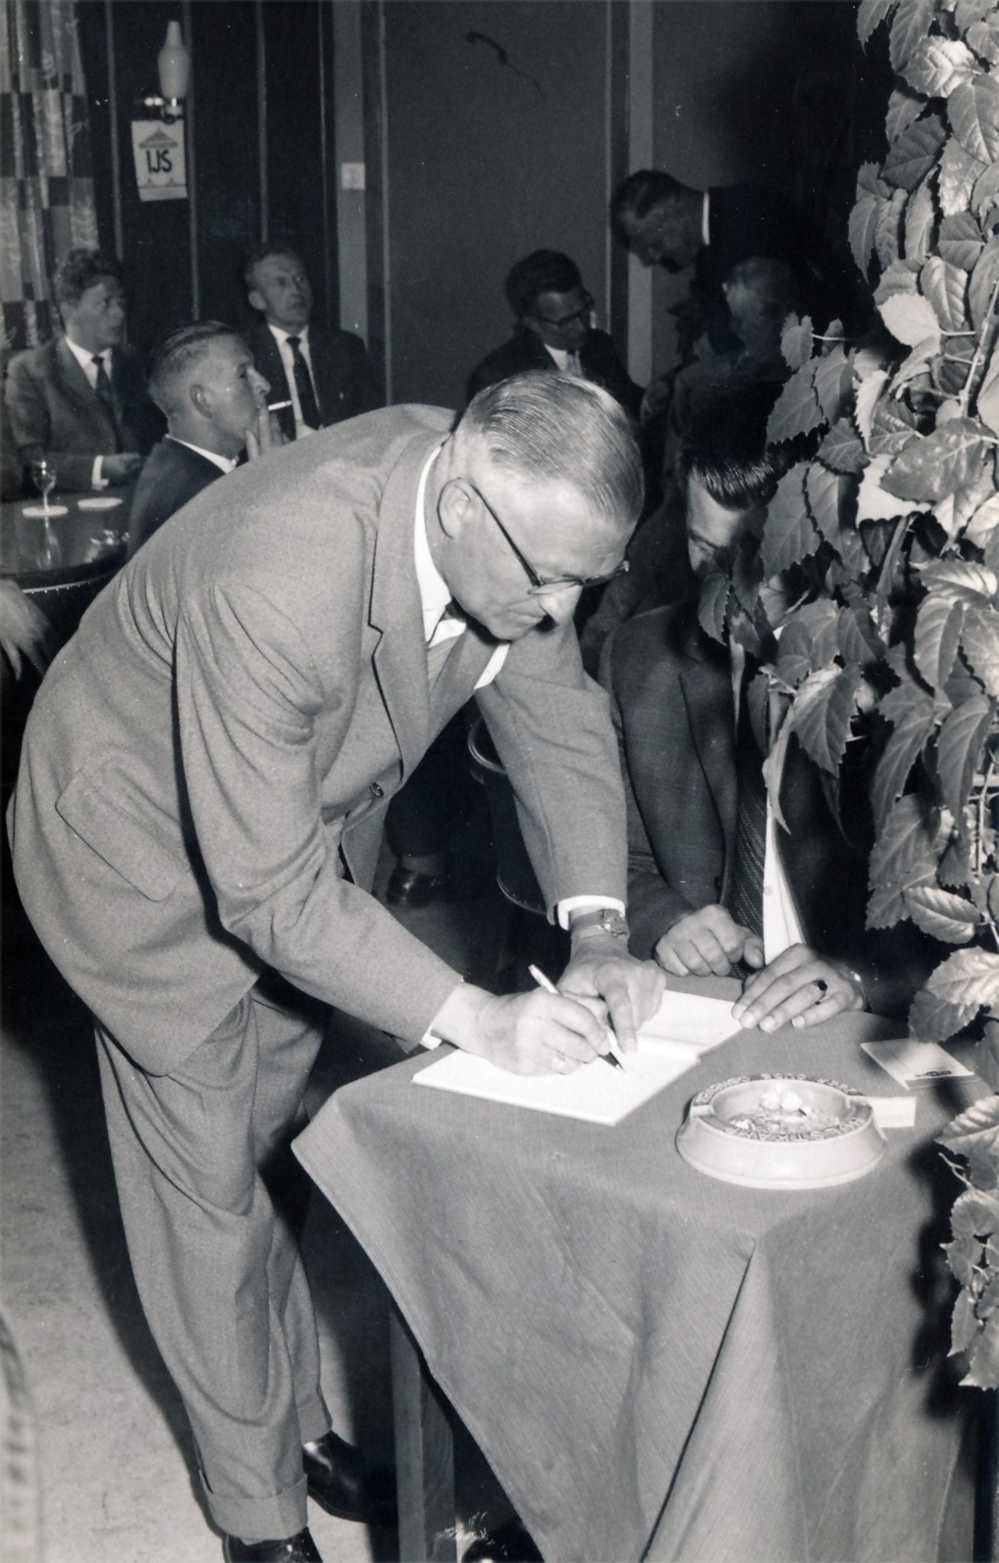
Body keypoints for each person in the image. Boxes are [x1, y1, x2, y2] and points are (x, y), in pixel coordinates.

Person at [8, 371, 664, 1563]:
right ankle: (259, 1520)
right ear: (460, 505)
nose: (561, 608)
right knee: (205, 1196)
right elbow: (266, 893)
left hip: (292, 839)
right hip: (136, 853)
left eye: (590, 580)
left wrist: (602, 932)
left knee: (266, 1153)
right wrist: (475, 1016)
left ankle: (298, 1428)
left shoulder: (509, 529)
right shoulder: (278, 570)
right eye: (550, 579)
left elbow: (558, 722)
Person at [600, 392, 934, 1030]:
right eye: (705, 549)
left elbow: (958, 909)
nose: (731, 588)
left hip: (859, 1020)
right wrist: (663, 921)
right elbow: (618, 859)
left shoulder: (902, 678)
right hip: (708, 1010)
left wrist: (860, 976)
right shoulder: (639, 658)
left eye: (756, 555)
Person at [610, 168, 844, 359]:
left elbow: (769, 337)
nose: (653, 258)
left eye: (654, 244)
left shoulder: (751, 215)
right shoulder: (708, 254)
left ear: (673, 208)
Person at [5, 248, 160, 493]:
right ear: (69, 308)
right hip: (71, 508)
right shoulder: (30, 371)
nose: (119, 314)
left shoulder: (138, 363)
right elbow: (29, 457)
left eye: (121, 302)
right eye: (105, 303)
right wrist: (97, 468)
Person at [128, 322, 274, 556]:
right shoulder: (206, 499)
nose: (264, 385)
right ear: (203, 400)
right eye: (243, 375)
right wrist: (273, 485)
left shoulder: (172, 466)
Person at [467, 249, 641, 417]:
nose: (581, 327)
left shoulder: (600, 344)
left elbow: (631, 403)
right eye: (566, 321)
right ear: (532, 324)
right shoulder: (497, 377)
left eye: (584, 310)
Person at [244, 243, 379, 442]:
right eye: (281, 283)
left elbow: (373, 418)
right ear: (257, 300)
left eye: (300, 279)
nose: (296, 290)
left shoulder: (346, 347)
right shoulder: (247, 354)